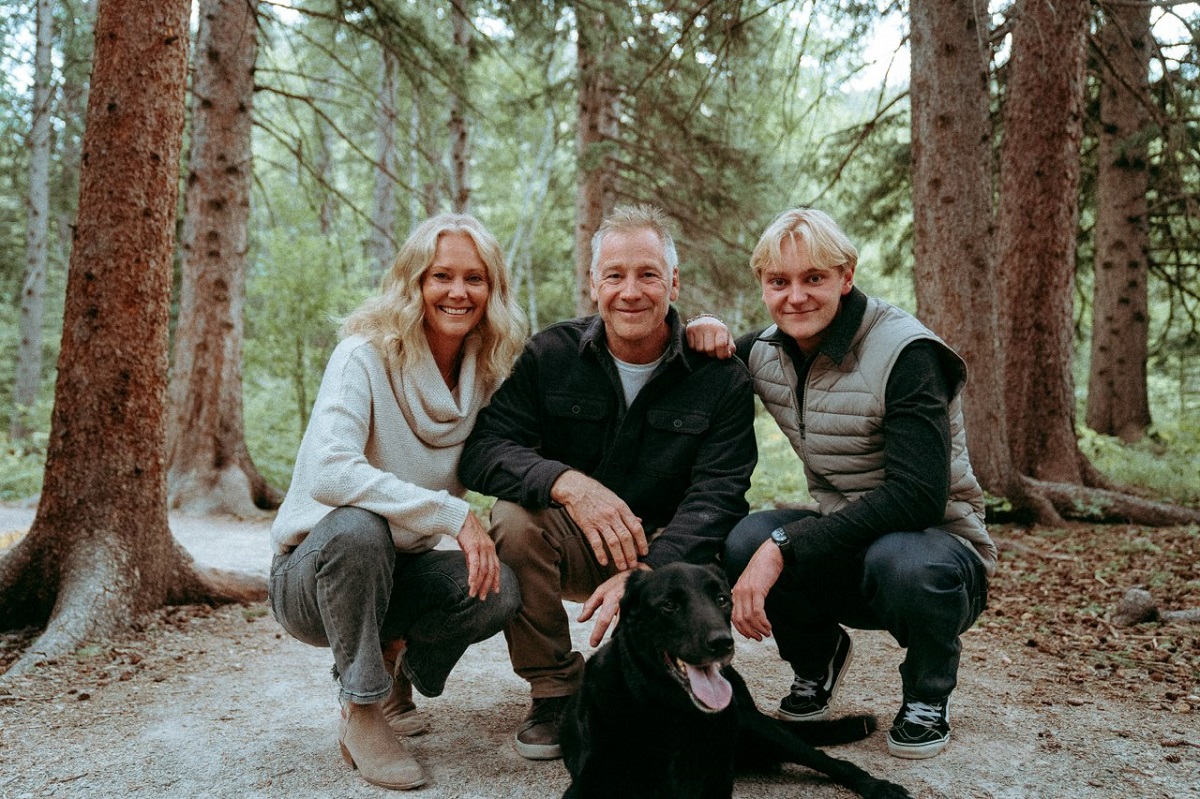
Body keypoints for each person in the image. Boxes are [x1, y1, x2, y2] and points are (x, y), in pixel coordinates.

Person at [691, 207, 996, 760]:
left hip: (939, 553)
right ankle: (818, 659)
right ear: (762, 285)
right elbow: (695, 366)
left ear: (846, 276)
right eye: (778, 282)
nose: (796, 297)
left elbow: (918, 496)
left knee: (898, 560)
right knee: (742, 539)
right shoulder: (768, 351)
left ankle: (929, 692)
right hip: (849, 540)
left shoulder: (908, 354)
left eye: (814, 279)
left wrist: (784, 547)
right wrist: (699, 329)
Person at [459, 204, 758, 761]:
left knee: (743, 537)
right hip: (580, 543)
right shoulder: (551, 355)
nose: (631, 291)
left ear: (673, 282)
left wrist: (650, 569)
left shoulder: (719, 375)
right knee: (513, 517)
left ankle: (690, 674)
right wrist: (568, 482)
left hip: (675, 554)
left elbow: (720, 491)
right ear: (593, 283)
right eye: (614, 275)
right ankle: (554, 692)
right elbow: (483, 451)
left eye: (648, 274)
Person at [268, 213, 526, 790]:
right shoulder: (362, 354)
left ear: (493, 289)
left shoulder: (484, 372)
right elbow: (331, 473)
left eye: (475, 278)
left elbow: (560, 390)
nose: (458, 292)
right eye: (441, 277)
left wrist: (695, 328)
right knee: (361, 527)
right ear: (414, 282)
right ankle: (362, 708)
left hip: (399, 572)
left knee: (499, 586)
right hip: (313, 574)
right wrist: (453, 513)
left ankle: (394, 662)